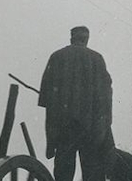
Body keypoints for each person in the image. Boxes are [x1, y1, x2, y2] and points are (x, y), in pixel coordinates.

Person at [38, 26, 115, 181]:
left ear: (72, 38)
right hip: (91, 131)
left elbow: (45, 98)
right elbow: (106, 97)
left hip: (63, 129)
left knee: (63, 173)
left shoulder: (56, 57)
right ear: (86, 39)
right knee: (93, 172)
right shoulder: (97, 59)